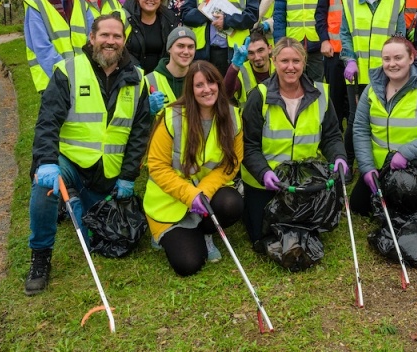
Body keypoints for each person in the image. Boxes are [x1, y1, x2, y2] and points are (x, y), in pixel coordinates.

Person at [24, 14, 151, 295]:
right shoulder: (68, 70)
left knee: (104, 238)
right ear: (92, 38)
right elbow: (47, 122)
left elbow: (139, 134)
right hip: (69, 161)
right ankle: (41, 256)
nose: (111, 41)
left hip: (108, 173)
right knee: (44, 188)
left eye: (117, 36)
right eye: (104, 35)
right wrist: (46, 163)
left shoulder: (138, 79)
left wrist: (128, 177)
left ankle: (75, 203)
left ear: (124, 41)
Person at [240, 38, 347, 243]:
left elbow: (332, 135)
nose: (290, 67)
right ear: (274, 61)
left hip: (303, 180)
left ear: (304, 62)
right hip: (267, 182)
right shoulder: (259, 96)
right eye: (284, 61)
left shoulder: (321, 94)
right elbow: (248, 145)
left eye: (296, 61)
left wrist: (339, 157)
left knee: (308, 233)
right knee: (264, 236)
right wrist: (264, 173)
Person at [143, 61, 244, 276]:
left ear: (219, 84)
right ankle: (165, 233)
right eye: (199, 85)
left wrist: (203, 192)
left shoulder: (233, 116)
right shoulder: (172, 117)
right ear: (190, 89)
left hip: (205, 195)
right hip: (169, 201)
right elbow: (157, 167)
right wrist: (190, 195)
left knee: (232, 203)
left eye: (211, 82)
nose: (207, 89)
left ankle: (206, 232)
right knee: (188, 264)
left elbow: (231, 164)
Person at [349, 37, 417, 215]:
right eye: (386, 59)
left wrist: (406, 153)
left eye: (398, 58)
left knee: (408, 209)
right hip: (383, 164)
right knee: (359, 206)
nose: (392, 64)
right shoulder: (371, 90)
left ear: (411, 58)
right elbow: (360, 129)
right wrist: (366, 167)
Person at [339, 0, 405, 160]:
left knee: (384, 118)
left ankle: (383, 158)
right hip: (356, 74)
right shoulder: (349, 2)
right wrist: (349, 59)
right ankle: (349, 161)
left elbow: (400, 37)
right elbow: (345, 34)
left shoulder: (396, 2)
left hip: (387, 74)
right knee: (355, 120)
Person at [315, 0, 365, 141]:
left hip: (363, 52)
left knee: (360, 102)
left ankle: (357, 141)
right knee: (335, 100)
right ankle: (335, 143)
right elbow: (320, 12)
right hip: (335, 51)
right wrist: (324, 40)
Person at [24, 0, 94, 93]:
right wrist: (67, 76)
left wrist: (84, 72)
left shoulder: (81, 4)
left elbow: (92, 38)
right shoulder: (36, 5)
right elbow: (42, 48)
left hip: (83, 76)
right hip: (52, 79)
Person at [124, 0, 180, 74]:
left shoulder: (169, 20)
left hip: (160, 75)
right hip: (131, 73)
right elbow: (120, 48)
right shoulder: (126, 17)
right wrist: (137, 69)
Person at [145, 26, 197, 114]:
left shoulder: (200, 79)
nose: (186, 51)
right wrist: (146, 111)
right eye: (180, 46)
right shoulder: (149, 81)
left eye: (190, 47)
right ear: (169, 48)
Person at [223, 31, 274, 105]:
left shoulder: (280, 66)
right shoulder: (241, 71)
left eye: (260, 51)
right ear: (246, 54)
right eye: (251, 53)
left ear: (269, 49)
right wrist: (234, 66)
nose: (257, 57)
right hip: (248, 116)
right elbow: (225, 94)